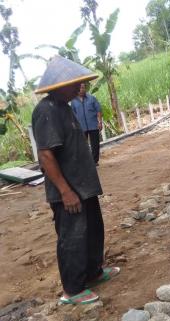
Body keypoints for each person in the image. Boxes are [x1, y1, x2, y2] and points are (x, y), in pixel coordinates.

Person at [32, 55, 119, 305]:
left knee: (92, 231)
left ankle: (92, 273)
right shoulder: (46, 110)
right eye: (74, 83)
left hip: (84, 187)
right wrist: (65, 191)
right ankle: (72, 289)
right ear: (59, 85)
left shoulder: (65, 107)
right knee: (72, 237)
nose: (79, 87)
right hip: (69, 190)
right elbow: (46, 155)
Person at [71, 83, 102, 166]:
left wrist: (99, 122)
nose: (82, 89)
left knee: (95, 144)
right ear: (77, 89)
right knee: (83, 145)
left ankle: (94, 161)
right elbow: (73, 115)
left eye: (83, 88)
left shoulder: (92, 98)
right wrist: (74, 126)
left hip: (93, 125)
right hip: (81, 127)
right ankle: (87, 161)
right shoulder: (73, 101)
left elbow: (98, 110)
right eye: (80, 88)